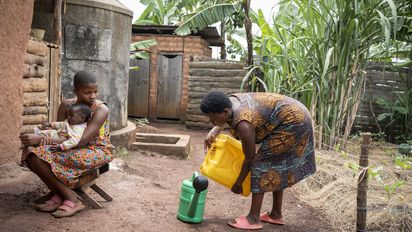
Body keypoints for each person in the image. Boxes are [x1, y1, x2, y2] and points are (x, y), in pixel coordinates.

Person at [200, 90, 316, 230]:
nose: (211, 122)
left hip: (294, 121)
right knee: (276, 164)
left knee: (260, 163)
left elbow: (250, 158)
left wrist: (239, 182)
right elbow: (224, 119)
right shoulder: (230, 102)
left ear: (225, 112)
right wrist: (214, 131)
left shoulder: (243, 123)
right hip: (292, 113)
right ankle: (275, 214)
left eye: (212, 119)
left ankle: (253, 218)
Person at [20, 70, 113, 218]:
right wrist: (40, 138)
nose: (93, 96)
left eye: (95, 91)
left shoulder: (101, 110)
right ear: (76, 91)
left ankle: (71, 198)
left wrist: (43, 140)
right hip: (67, 146)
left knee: (39, 153)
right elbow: (60, 133)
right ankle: (59, 194)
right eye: (87, 92)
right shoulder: (66, 105)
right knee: (31, 152)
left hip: (95, 150)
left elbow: (81, 141)